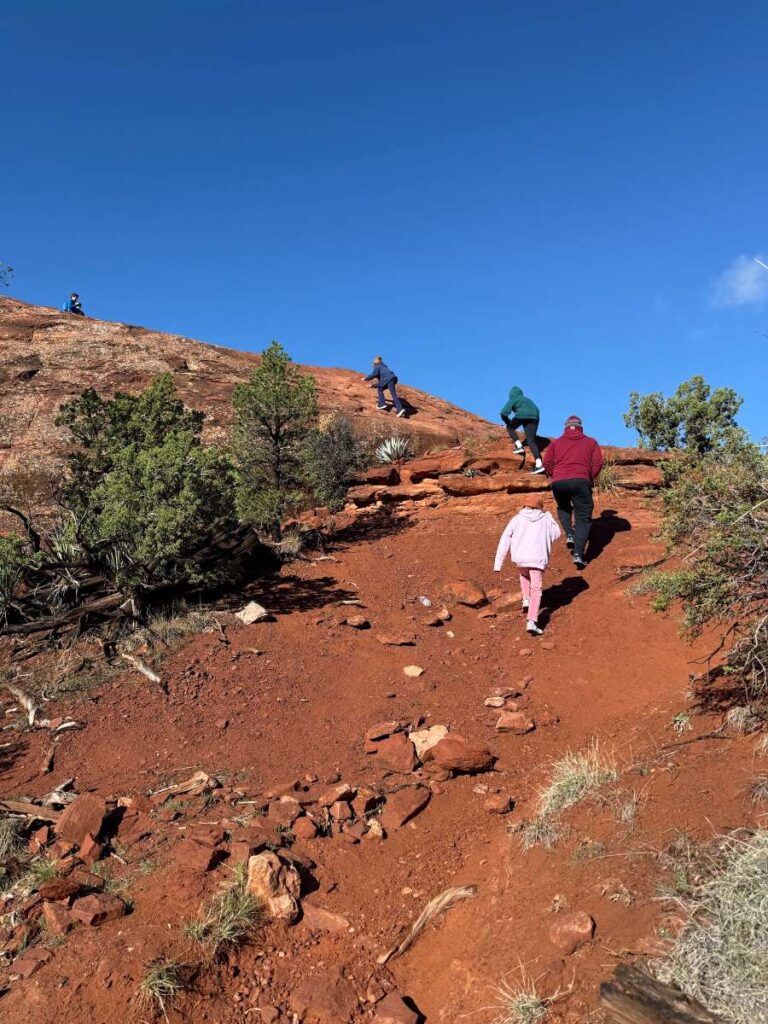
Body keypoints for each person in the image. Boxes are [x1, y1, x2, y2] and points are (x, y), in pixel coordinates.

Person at [493, 492, 561, 635]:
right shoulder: (545, 518)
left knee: (524, 575)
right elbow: (557, 534)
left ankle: (526, 599)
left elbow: (505, 538)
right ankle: (532, 621)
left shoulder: (517, 518)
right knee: (536, 589)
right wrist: (549, 516)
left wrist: (498, 563)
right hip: (537, 560)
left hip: (521, 560)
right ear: (540, 506)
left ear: (525, 505)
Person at [542, 414, 604, 570]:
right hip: (581, 480)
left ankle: (569, 533)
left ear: (565, 427)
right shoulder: (591, 442)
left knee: (563, 507)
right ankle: (578, 554)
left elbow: (547, 462)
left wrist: (556, 474)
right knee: (583, 517)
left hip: (559, 482)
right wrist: (588, 477)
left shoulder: (556, 443)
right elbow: (598, 462)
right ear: (580, 427)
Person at [500, 386, 545, 474]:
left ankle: (519, 446)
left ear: (511, 395)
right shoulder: (527, 399)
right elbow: (536, 409)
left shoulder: (514, 399)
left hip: (522, 414)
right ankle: (539, 465)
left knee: (510, 427)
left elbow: (503, 412)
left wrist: (508, 422)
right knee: (531, 440)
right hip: (535, 416)